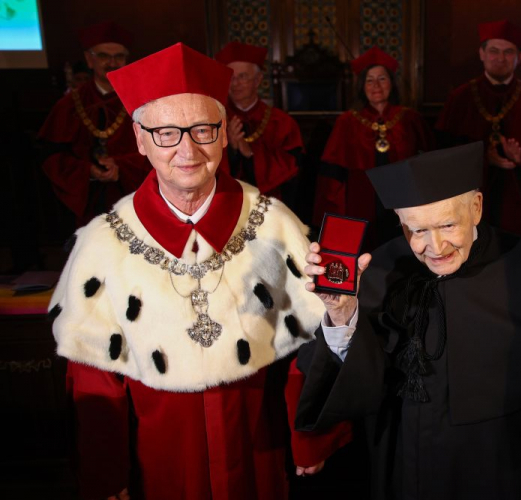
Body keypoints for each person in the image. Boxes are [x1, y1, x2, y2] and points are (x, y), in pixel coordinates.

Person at [48, 43, 351, 500]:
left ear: (225, 134)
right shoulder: (101, 243)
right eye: (166, 132)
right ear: (140, 139)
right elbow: (92, 373)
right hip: (160, 452)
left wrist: (309, 438)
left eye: (203, 129)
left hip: (256, 444)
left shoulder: (275, 223)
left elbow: (306, 350)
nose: (187, 150)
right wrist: (107, 472)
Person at [295, 142, 521, 499]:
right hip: (405, 465)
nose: (435, 247)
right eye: (417, 231)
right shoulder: (380, 269)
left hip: (502, 466)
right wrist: (342, 312)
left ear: (477, 208)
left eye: (448, 224)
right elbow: (346, 383)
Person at [435, 20, 521, 237]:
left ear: (519, 57)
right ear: (482, 53)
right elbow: (444, 154)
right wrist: (484, 159)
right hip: (469, 198)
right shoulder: (460, 98)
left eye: (508, 52)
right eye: (494, 51)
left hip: (519, 202)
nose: (500, 58)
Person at [313, 46, 434, 249]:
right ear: (362, 86)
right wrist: (332, 213)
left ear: (392, 84)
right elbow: (332, 177)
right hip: (360, 203)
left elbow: (427, 167)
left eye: (382, 79)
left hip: (404, 202)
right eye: (369, 80)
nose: (376, 85)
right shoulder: (347, 122)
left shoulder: (410, 118)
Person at [38, 21, 150, 228]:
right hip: (86, 200)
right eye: (104, 56)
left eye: (119, 56)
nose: (112, 63)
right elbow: (52, 156)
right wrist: (87, 170)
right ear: (90, 59)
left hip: (135, 198)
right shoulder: (70, 104)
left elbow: (159, 150)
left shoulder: (144, 101)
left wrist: (121, 166)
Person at [215, 41, 304, 208]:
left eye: (243, 77)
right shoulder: (214, 119)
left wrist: (249, 154)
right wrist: (232, 151)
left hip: (272, 209)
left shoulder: (282, 123)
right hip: (227, 207)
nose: (235, 84)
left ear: (258, 80)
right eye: (231, 78)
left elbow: (291, 175)